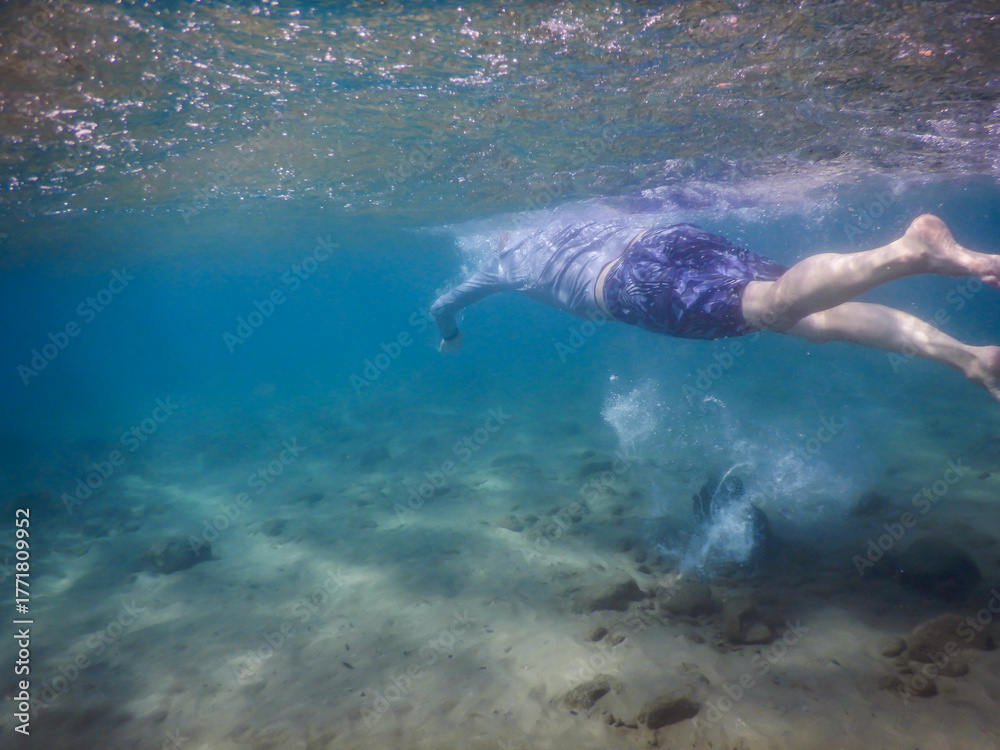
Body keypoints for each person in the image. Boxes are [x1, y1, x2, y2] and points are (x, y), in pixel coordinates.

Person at [430, 215, 1000, 402]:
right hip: (668, 238)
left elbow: (444, 304)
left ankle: (907, 252)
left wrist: (451, 334)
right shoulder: (563, 220)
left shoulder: (502, 265)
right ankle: (970, 358)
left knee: (777, 309)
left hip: (628, 285)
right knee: (812, 320)